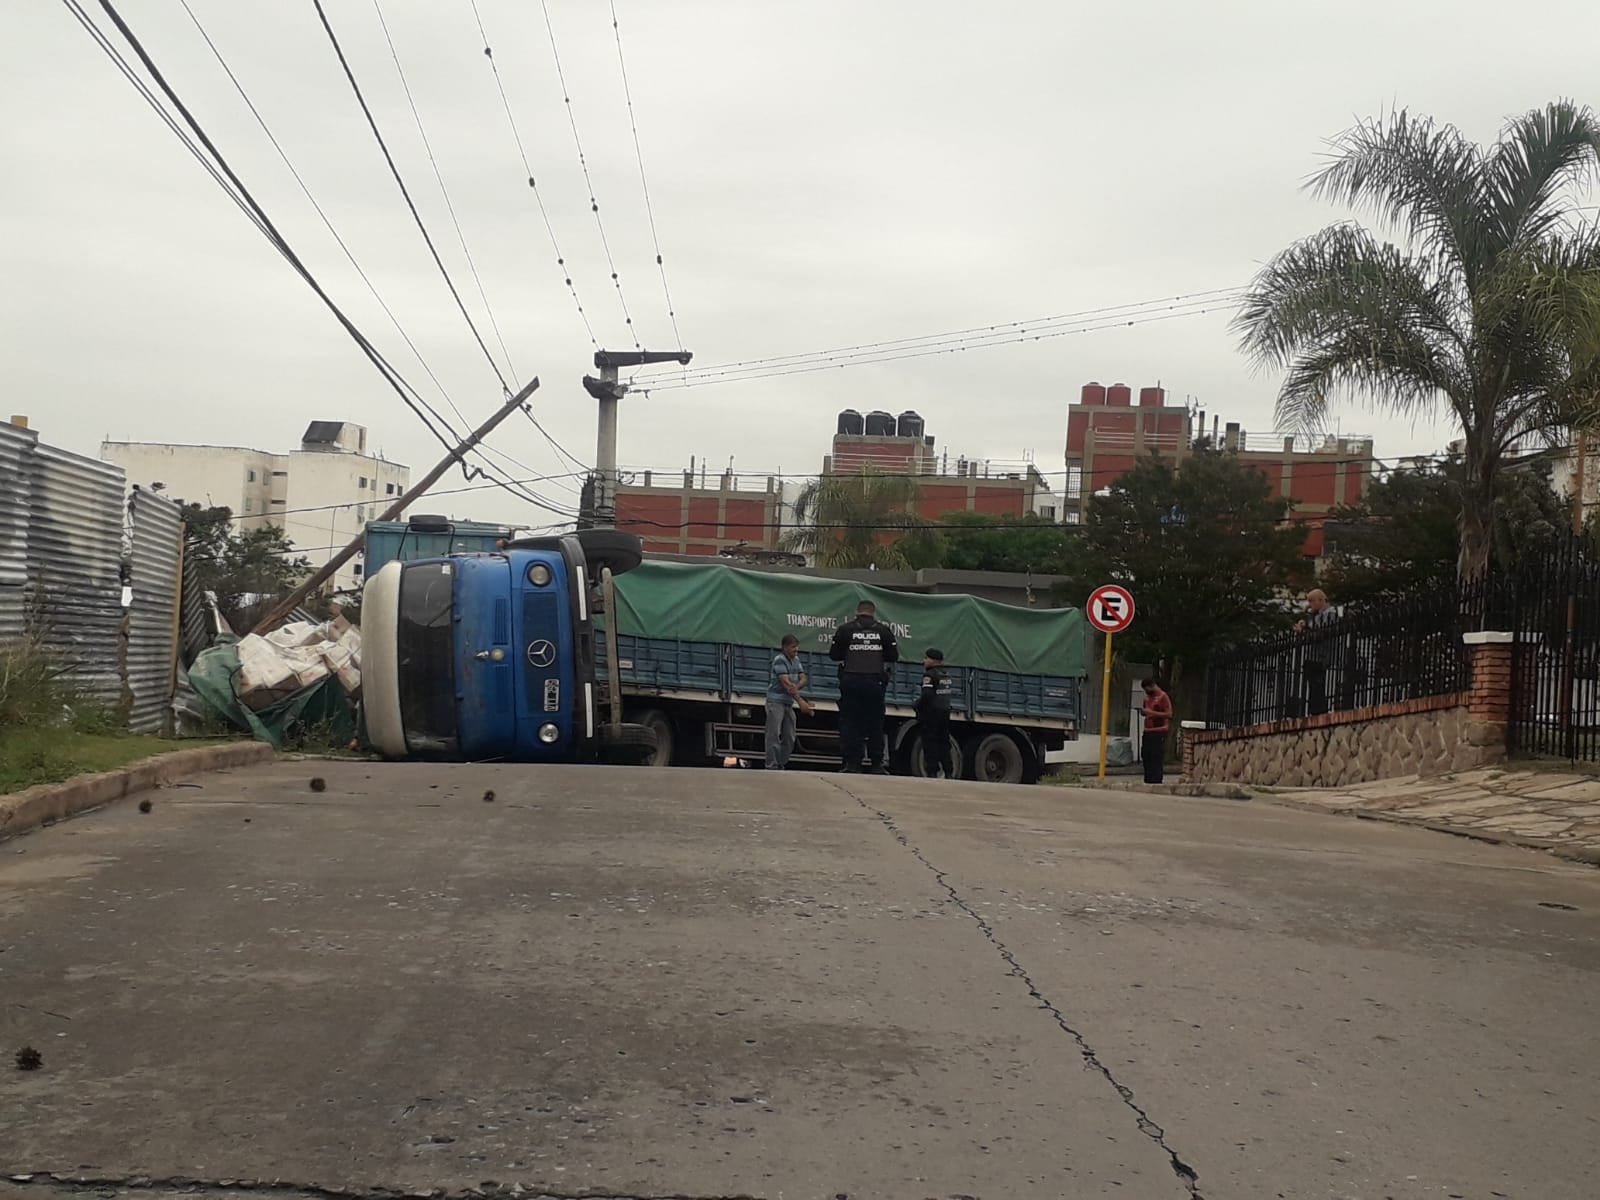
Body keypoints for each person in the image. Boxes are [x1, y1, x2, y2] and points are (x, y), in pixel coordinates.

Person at [829, 598, 899, 773]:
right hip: (875, 684)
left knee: (851, 723)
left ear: (857, 612)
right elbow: (893, 656)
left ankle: (852, 763)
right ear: (873, 612)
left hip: (851, 683)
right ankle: (876, 764)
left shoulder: (845, 630)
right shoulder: (884, 631)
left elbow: (834, 655)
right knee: (875, 724)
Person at [765, 634, 812, 770]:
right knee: (773, 734)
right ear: (785, 647)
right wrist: (801, 702)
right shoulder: (780, 660)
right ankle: (771, 765)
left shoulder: (796, 660)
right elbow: (786, 683)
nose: (795, 650)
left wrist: (795, 687)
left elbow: (803, 679)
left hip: (788, 702)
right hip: (775, 701)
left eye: (797, 648)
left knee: (790, 736)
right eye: (793, 648)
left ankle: (781, 762)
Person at [1295, 588, 1337, 716]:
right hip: (1314, 656)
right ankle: (1315, 710)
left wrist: (1304, 632)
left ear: (1321, 600)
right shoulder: (1317, 615)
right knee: (1313, 686)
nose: (1309, 604)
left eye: (1311, 601)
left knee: (1317, 685)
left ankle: (1319, 710)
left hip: (1320, 656)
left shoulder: (1329, 614)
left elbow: (1320, 634)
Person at [915, 647, 955, 778]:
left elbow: (927, 695)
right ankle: (948, 770)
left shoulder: (930, 675)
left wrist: (916, 705)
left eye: (926, 658)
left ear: (933, 660)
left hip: (931, 714)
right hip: (945, 712)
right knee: (944, 742)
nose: (924, 661)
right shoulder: (946, 674)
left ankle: (932, 770)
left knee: (930, 742)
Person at [1140, 678, 1172, 784]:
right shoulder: (1147, 698)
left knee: (1156, 756)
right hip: (1148, 730)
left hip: (1159, 730)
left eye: (1147, 689)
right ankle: (1148, 779)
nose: (1146, 692)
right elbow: (1146, 710)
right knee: (1146, 755)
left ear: (1152, 686)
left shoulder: (1163, 696)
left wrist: (1152, 713)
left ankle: (1156, 780)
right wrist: (1144, 712)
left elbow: (1169, 714)